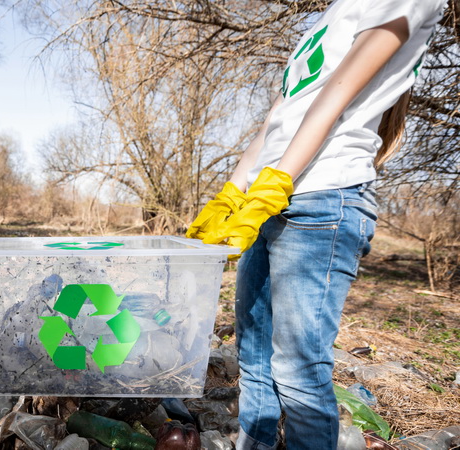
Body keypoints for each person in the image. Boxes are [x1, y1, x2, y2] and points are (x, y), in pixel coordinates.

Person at [186, 0, 447, 448]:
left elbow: (335, 97)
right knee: (253, 357)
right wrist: (232, 193)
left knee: (298, 371)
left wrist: (276, 183)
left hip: (321, 197)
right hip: (269, 196)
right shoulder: (330, 15)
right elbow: (276, 120)